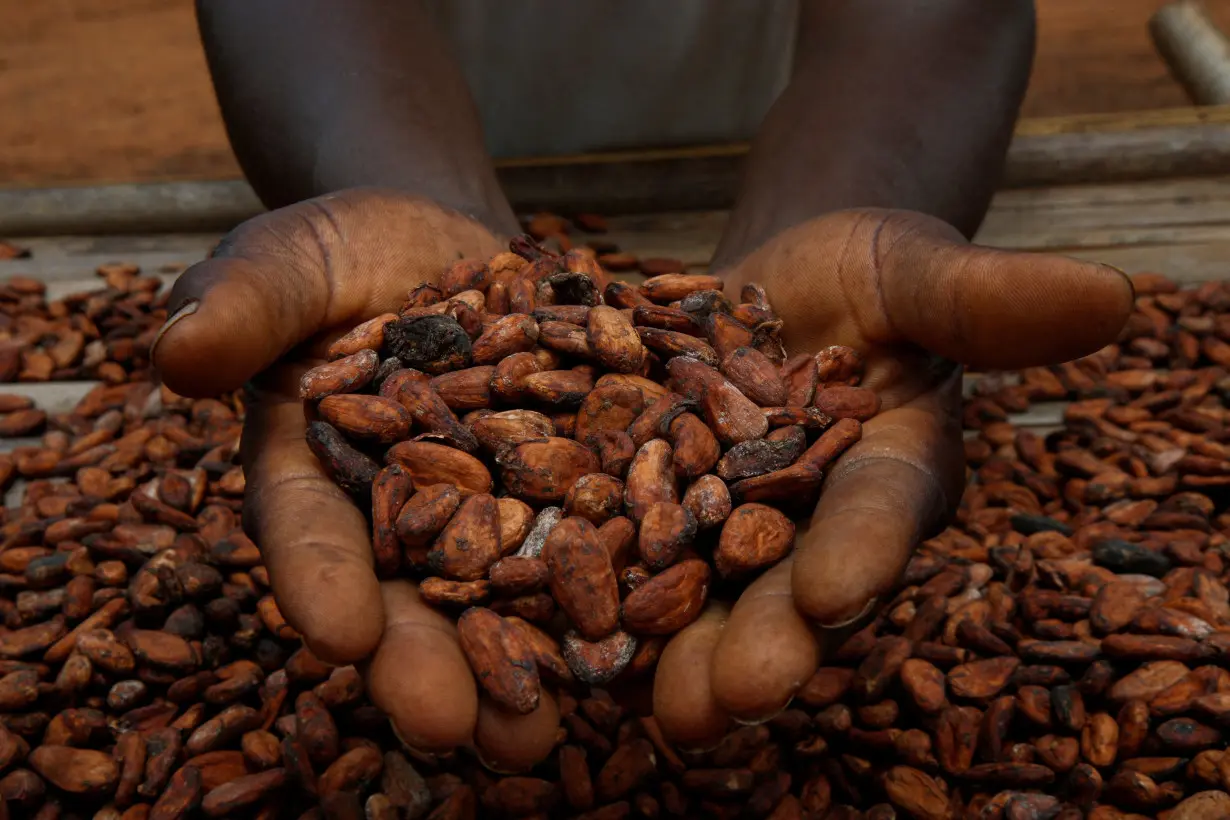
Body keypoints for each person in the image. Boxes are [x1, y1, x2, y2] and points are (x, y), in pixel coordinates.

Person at [152, 0, 1134, 771]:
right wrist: (399, 196)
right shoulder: (518, 409)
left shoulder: (668, 410)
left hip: (827, 112)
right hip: (368, 93)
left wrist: (851, 211)